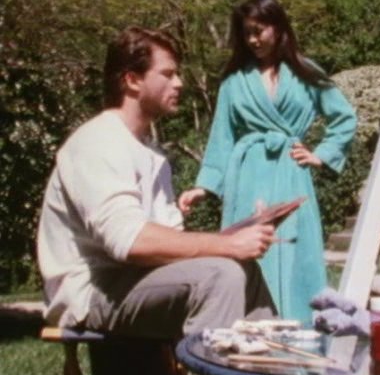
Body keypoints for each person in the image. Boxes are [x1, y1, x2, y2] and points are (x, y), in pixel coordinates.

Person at [37, 26, 277, 344]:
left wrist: (238, 236)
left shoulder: (151, 152)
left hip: (136, 277)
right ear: (132, 80)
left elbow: (170, 240)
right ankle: (210, 367)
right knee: (220, 275)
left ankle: (274, 363)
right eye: (167, 74)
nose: (179, 83)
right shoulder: (98, 142)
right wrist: (227, 244)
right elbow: (129, 242)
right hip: (93, 290)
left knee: (245, 269)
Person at [178, 0, 357, 322]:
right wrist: (204, 187)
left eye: (258, 31)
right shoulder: (234, 81)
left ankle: (303, 335)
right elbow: (221, 139)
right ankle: (248, 335)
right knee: (248, 253)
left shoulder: (306, 72)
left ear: (278, 28)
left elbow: (344, 118)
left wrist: (321, 155)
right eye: (246, 33)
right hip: (247, 176)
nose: (252, 40)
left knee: (295, 252)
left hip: (291, 174)